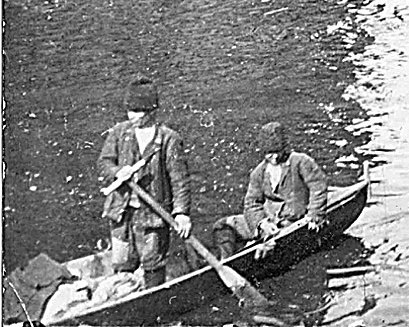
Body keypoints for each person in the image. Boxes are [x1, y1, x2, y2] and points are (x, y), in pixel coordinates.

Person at [97, 78, 192, 289]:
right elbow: (104, 163)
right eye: (130, 111)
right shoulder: (120, 133)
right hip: (121, 212)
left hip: (153, 216)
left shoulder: (168, 139)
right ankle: (124, 297)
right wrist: (117, 172)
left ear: (152, 111)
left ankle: (154, 300)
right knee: (122, 261)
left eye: (138, 112)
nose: (132, 116)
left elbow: (179, 180)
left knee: (152, 264)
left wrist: (181, 213)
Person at [212, 123, 328, 260]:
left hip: (292, 221)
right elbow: (251, 203)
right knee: (222, 226)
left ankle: (258, 250)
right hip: (268, 221)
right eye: (269, 153)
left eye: (277, 151)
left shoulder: (300, 162)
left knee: (273, 243)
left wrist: (314, 215)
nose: (274, 157)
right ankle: (226, 260)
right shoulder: (259, 173)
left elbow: (318, 186)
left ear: (284, 148)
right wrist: (262, 223)